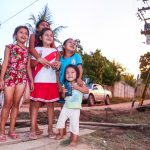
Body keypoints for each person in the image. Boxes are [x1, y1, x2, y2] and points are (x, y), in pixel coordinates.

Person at [0, 25, 34, 141]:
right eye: (21, 32)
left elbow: (28, 67)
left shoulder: (28, 51)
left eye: (26, 33)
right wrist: (1, 79)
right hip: (10, 77)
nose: (23, 35)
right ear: (15, 35)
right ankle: (1, 131)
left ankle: (11, 130)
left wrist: (31, 81)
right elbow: (4, 63)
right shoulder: (9, 47)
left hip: (22, 79)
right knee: (7, 104)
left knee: (16, 105)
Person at [29, 20, 60, 135]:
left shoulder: (56, 52)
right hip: (39, 81)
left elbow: (57, 67)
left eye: (51, 35)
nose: (49, 37)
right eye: (46, 35)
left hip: (51, 83)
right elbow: (31, 65)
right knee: (36, 105)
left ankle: (50, 129)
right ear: (40, 37)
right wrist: (39, 60)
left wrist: (57, 64)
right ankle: (32, 129)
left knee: (51, 105)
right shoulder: (36, 49)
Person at [56, 65, 89, 146]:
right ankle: (60, 134)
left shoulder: (80, 83)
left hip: (75, 108)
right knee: (60, 120)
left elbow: (86, 91)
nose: (69, 74)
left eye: (72, 72)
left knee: (74, 124)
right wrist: (63, 92)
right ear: (65, 75)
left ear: (77, 74)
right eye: (67, 73)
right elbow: (64, 97)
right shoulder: (65, 85)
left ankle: (74, 139)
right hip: (66, 107)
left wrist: (77, 87)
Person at [57, 38, 84, 136]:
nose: (73, 44)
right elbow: (58, 72)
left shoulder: (76, 56)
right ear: (64, 46)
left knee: (73, 108)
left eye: (74, 43)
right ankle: (62, 131)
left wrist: (79, 79)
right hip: (63, 86)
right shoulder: (60, 58)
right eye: (70, 42)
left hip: (73, 85)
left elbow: (80, 68)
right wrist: (59, 86)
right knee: (63, 108)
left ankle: (73, 131)